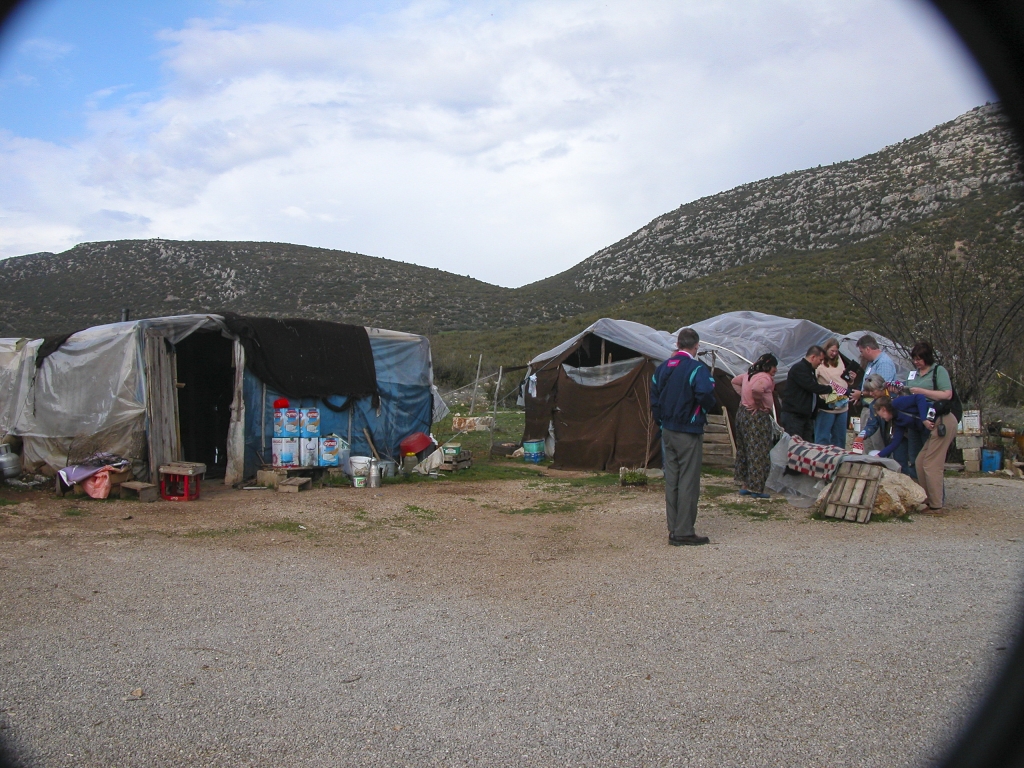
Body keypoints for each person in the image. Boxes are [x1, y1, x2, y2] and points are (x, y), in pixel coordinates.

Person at [650, 328, 719, 546]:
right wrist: (706, 409)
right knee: (688, 480)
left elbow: (654, 397)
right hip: (687, 430)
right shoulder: (696, 368)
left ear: (678, 344)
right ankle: (684, 531)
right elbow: (706, 392)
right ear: (696, 346)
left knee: (672, 480)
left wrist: (661, 422)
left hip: (667, 431)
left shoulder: (662, 368)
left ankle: (674, 527)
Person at [904, 340, 960, 511]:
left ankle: (937, 502)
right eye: (915, 359)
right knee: (920, 460)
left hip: (941, 419)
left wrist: (922, 392)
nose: (916, 362)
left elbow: (947, 394)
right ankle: (926, 498)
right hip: (922, 421)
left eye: (920, 358)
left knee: (931, 463)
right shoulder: (914, 374)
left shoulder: (938, 371)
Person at [730, 353, 778, 499]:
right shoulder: (764, 377)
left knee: (744, 448)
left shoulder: (748, 374)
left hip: (743, 413)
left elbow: (734, 381)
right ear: (769, 366)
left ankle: (745, 484)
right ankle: (756, 487)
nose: (776, 370)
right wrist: (757, 403)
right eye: (774, 366)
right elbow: (757, 389)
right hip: (756, 417)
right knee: (758, 450)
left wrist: (744, 398)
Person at [780, 345, 834, 442]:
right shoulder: (799, 369)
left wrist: (829, 404)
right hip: (794, 416)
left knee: (807, 447)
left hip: (806, 417)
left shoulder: (811, 371)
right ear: (813, 357)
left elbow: (812, 396)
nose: (821, 363)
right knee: (795, 447)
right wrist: (830, 389)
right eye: (820, 360)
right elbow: (811, 387)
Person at [870, 394, 931, 478]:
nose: (882, 418)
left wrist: (924, 419)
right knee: (918, 462)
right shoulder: (898, 421)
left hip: (934, 421)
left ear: (884, 409)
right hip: (924, 430)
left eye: (881, 416)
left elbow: (919, 397)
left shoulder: (897, 403)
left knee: (930, 462)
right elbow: (895, 442)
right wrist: (879, 455)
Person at [813, 338, 852, 448]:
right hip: (827, 405)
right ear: (826, 349)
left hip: (842, 404)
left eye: (836, 351)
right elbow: (813, 382)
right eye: (832, 351)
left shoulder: (839, 359)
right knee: (823, 438)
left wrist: (850, 379)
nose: (834, 354)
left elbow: (842, 378)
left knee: (839, 438)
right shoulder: (820, 364)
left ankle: (838, 462)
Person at [858, 373, 893, 456]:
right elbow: (872, 424)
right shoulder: (873, 405)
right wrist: (861, 435)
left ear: (881, 388)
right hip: (887, 436)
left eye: (872, 391)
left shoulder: (894, 396)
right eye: (869, 391)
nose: (870, 394)